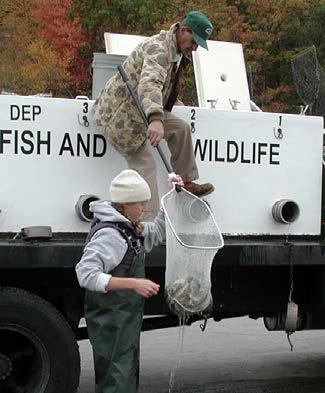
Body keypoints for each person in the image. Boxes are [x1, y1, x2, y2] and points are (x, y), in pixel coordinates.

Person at [93, 10, 215, 221]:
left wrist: (169, 104)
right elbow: (150, 84)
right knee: (146, 165)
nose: (195, 48)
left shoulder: (175, 51)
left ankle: (185, 182)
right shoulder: (159, 49)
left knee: (181, 128)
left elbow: (160, 85)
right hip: (121, 118)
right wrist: (157, 119)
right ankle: (148, 225)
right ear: (183, 30)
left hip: (140, 109)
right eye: (194, 41)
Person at [75, 169, 183, 393]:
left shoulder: (130, 226)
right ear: (123, 205)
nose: (145, 209)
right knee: (117, 379)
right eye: (140, 204)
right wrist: (134, 283)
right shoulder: (111, 235)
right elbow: (86, 273)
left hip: (123, 321)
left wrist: (172, 194)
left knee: (123, 374)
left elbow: (158, 230)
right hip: (111, 322)